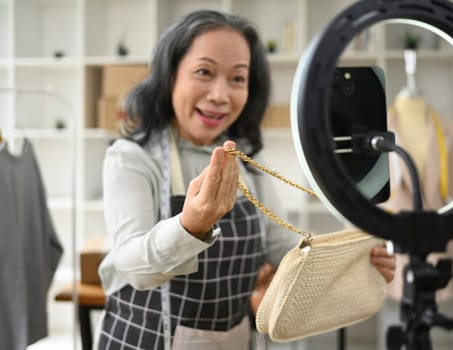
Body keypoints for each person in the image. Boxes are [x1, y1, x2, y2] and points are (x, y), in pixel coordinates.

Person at [96, 9, 395, 350]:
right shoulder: (132, 157)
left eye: (237, 78)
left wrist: (354, 263)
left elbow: (283, 250)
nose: (221, 95)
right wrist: (190, 225)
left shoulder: (246, 157)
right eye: (204, 72)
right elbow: (134, 269)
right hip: (144, 341)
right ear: (169, 75)